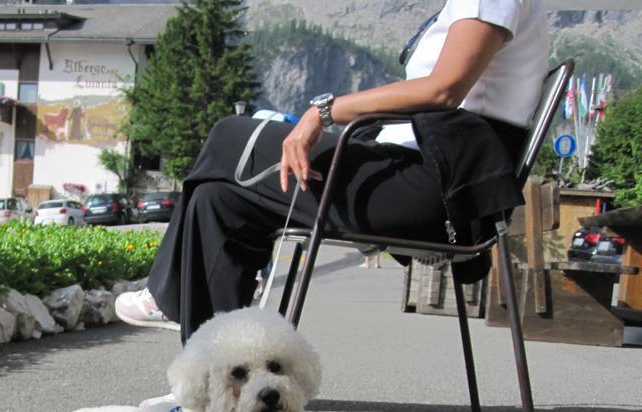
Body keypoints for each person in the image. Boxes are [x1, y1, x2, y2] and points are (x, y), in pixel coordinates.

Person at [115, 0, 549, 344]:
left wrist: (323, 112)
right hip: (422, 173)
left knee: (231, 135)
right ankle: (215, 387)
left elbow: (443, 89)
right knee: (220, 201)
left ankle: (167, 296)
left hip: (435, 188)